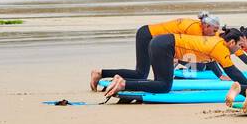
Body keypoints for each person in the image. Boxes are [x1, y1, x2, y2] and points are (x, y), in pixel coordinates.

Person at [101, 28, 247, 99]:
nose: (239, 50)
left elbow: (214, 63)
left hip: (161, 42)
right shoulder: (221, 48)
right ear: (231, 42)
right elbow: (234, 73)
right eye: (239, 46)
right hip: (165, 45)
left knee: (160, 82)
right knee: (164, 86)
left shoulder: (217, 41)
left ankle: (123, 81)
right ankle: (124, 84)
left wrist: (219, 75)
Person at [90, 13, 220, 90]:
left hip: (150, 37)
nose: (213, 34)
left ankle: (104, 74)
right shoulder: (195, 30)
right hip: (149, 37)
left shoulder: (199, 26)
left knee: (141, 74)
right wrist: (220, 75)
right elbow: (205, 51)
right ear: (206, 26)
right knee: (142, 73)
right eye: (213, 31)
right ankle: (106, 76)